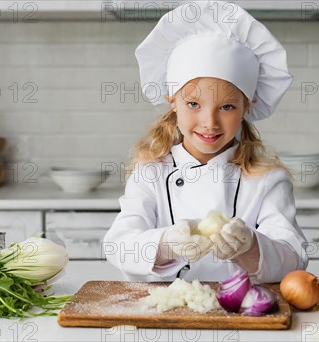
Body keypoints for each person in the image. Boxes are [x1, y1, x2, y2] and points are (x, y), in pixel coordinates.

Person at [104, 1, 308, 283]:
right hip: (164, 317)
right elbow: (118, 246)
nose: (209, 122)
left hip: (244, 317)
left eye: (226, 107)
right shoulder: (151, 172)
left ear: (247, 107)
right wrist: (165, 244)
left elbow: (293, 259)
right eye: (193, 104)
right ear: (172, 102)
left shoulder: (267, 179)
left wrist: (249, 246)